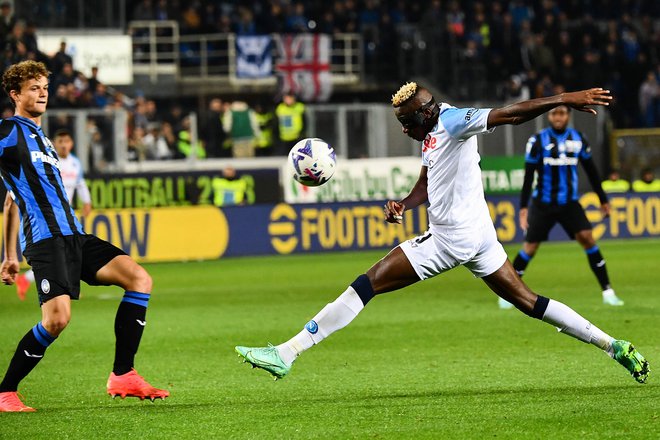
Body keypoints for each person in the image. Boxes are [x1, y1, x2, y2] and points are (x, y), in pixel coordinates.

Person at [236, 82, 649, 385]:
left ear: (421, 117)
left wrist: (563, 98)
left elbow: (509, 114)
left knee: (367, 284)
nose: (403, 131)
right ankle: (615, 346)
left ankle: (287, 352)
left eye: (404, 124)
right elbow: (427, 183)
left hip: (452, 238)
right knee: (528, 300)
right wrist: (404, 203)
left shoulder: (453, 121)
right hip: (480, 235)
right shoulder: (432, 128)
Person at [0, 61, 168, 412]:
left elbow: (11, 201)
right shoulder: (8, 131)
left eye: (45, 86)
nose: (42, 92)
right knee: (57, 320)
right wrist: (13, 253)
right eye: (33, 87)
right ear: (15, 94)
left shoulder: (43, 139)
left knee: (139, 278)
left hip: (76, 235)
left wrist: (9, 255)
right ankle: (5, 392)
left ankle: (123, 373)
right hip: (46, 240)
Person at [502, 105, 624, 309]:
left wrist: (603, 200)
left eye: (562, 113)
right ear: (549, 116)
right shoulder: (537, 141)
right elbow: (528, 176)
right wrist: (524, 208)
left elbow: (592, 172)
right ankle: (509, 294)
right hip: (542, 204)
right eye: (554, 113)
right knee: (530, 248)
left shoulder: (578, 139)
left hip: (569, 203)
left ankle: (608, 291)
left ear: (568, 116)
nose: (558, 117)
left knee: (588, 239)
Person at [14, 129, 93, 300]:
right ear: (54, 144)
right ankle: (67, 286)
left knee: (64, 254)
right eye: (60, 141)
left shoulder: (75, 163)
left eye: (67, 141)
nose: (64, 145)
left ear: (71, 143)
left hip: (65, 216)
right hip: (48, 216)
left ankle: (27, 280)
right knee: (60, 254)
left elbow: (80, 183)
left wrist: (87, 201)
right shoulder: (48, 160)